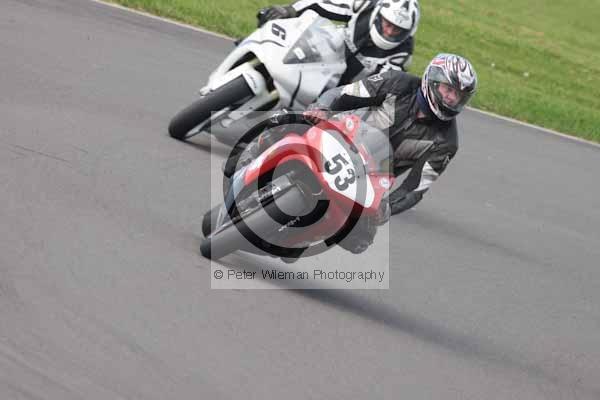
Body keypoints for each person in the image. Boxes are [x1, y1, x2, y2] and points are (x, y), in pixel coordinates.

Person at [303, 53, 478, 252]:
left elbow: (414, 188)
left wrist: (385, 207)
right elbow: (343, 94)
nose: (452, 98)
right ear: (433, 81)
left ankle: (302, 236)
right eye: (449, 89)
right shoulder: (397, 82)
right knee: (290, 123)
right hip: (339, 142)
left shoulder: (446, 142)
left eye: (459, 95)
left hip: (367, 181)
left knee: (360, 238)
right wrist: (321, 109)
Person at [256, 0, 420, 83]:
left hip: (342, 90)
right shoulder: (365, 6)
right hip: (322, 57)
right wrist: (290, 10)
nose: (389, 31)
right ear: (379, 16)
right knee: (277, 54)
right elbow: (324, 4)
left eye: (397, 29)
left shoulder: (401, 56)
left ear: (408, 32)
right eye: (388, 24)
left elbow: (379, 86)